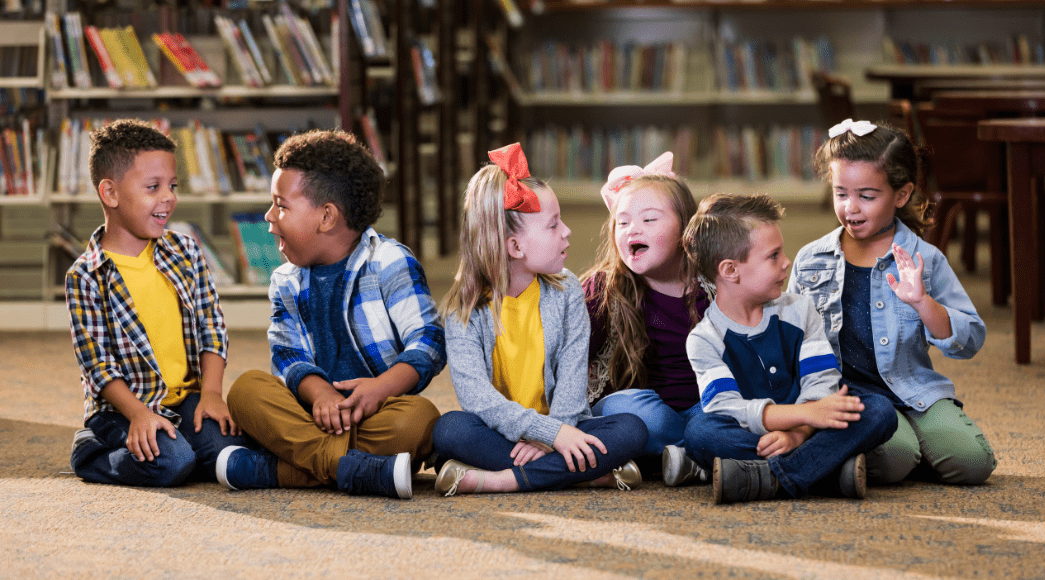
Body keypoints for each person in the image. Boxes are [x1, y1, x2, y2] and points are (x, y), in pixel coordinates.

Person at [218, 129, 445, 499]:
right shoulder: (285, 281)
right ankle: (354, 469)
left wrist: (380, 388)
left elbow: (429, 341)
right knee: (246, 391)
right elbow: (288, 355)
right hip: (310, 414)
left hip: (374, 414)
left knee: (420, 421)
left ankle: (279, 470)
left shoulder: (390, 262)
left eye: (281, 205)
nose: (269, 216)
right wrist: (320, 392)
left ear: (327, 217)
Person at [789, 118, 996, 486]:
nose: (851, 208)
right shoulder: (811, 259)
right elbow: (790, 338)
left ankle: (863, 454)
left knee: (973, 463)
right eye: (841, 193)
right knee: (896, 460)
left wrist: (923, 303)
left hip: (912, 389)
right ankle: (882, 449)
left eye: (867, 196)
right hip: (848, 395)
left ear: (901, 195)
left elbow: (971, 340)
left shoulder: (925, 259)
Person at [432, 143, 648, 496]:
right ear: (514, 247)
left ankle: (502, 480)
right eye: (553, 226)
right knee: (450, 430)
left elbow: (573, 379)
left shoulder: (568, 291)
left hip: (566, 425)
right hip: (503, 432)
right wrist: (552, 438)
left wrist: (555, 433)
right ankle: (582, 474)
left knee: (632, 429)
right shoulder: (462, 310)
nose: (567, 231)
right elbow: (478, 400)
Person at [673, 193, 897, 504]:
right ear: (730, 270)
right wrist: (805, 415)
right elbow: (727, 407)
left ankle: (769, 476)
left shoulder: (800, 310)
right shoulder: (703, 339)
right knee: (700, 433)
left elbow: (822, 383)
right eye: (773, 256)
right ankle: (825, 470)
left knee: (879, 411)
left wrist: (799, 433)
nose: (787, 262)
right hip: (757, 430)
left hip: (810, 425)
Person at [67, 118, 245, 487]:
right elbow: (97, 366)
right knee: (172, 464)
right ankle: (92, 453)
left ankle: (181, 439)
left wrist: (211, 393)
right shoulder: (85, 276)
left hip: (185, 398)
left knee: (231, 450)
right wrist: (137, 415)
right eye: (153, 187)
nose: (168, 197)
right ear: (110, 193)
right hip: (121, 408)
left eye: (172, 185)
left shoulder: (185, 250)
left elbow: (212, 326)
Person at [580, 152, 711, 481]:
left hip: (703, 407)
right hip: (641, 412)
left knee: (726, 414)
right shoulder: (602, 289)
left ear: (687, 230)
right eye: (622, 223)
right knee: (632, 413)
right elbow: (566, 357)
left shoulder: (714, 288)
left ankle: (686, 452)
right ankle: (699, 453)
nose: (632, 229)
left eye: (649, 220)